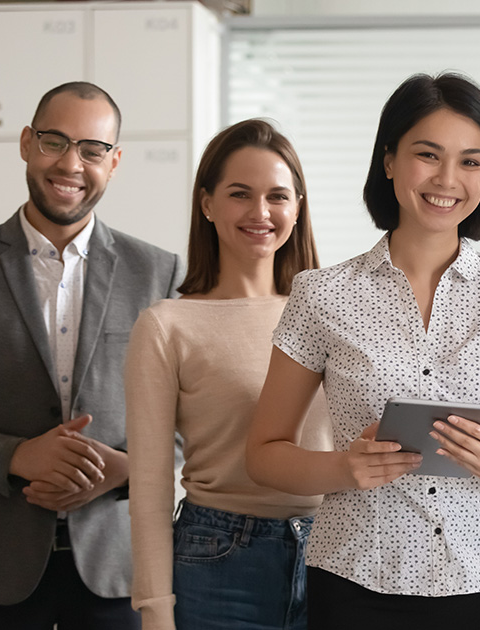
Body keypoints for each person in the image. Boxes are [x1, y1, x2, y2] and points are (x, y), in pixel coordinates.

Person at [245, 72, 480, 630]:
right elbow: (263, 454)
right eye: (427, 154)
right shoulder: (322, 295)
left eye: (471, 160)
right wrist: (343, 467)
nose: (447, 179)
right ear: (388, 160)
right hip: (355, 583)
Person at [0, 81, 183, 629]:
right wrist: (16, 457)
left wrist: (125, 469)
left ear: (114, 161)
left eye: (92, 150)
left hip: (119, 561)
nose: (71, 164)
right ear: (27, 143)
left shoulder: (159, 273)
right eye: (54, 141)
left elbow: (186, 420)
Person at [124, 119, 331, 630]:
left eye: (277, 196)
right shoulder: (166, 325)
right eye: (240, 194)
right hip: (220, 562)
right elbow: (149, 486)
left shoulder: (332, 311)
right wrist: (155, 611)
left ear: (298, 208)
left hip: (337, 555)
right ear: (207, 203)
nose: (260, 212)